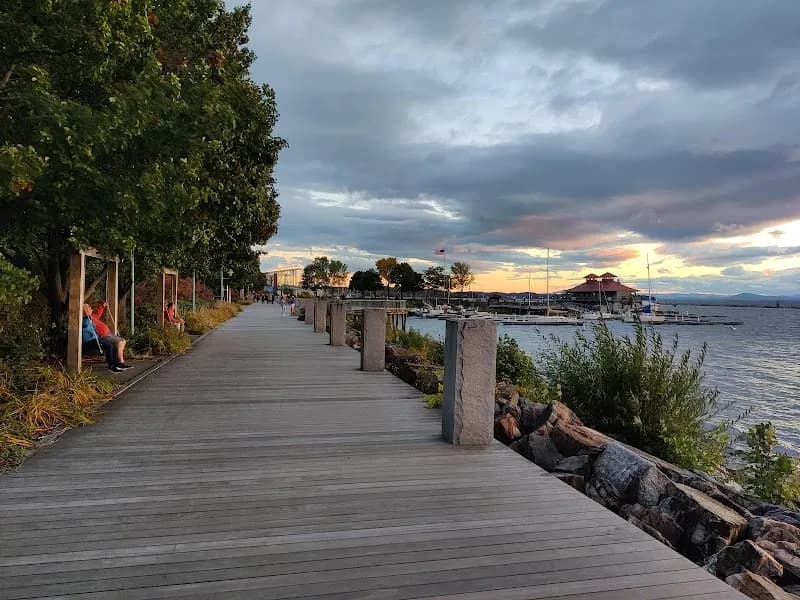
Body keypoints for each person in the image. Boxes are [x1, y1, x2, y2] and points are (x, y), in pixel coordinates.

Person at [83, 302, 132, 372]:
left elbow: (98, 313)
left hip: (100, 337)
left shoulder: (92, 317)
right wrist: (86, 317)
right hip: (96, 339)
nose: (91, 308)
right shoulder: (85, 319)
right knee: (112, 344)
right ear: (84, 310)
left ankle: (116, 363)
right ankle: (114, 365)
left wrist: (103, 306)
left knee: (118, 342)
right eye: (88, 307)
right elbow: (86, 326)